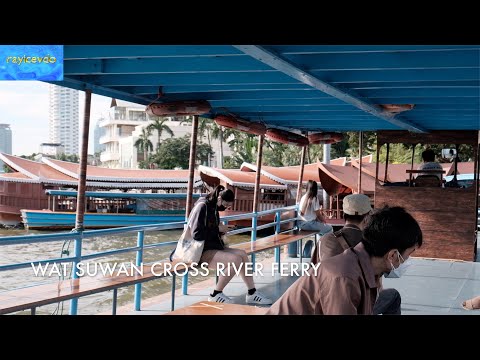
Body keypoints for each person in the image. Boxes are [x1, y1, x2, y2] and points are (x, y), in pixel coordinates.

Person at [266, 206, 423, 315]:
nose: (408, 260)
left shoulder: (366, 267)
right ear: (393, 255)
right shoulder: (344, 277)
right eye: (409, 253)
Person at [189, 185, 272, 305]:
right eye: (226, 205)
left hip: (212, 247)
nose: (226, 208)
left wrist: (221, 230)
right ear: (219, 199)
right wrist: (217, 228)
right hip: (200, 252)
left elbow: (210, 229)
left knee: (243, 254)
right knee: (235, 260)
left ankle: (252, 292)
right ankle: (215, 294)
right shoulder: (202, 207)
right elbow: (196, 234)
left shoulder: (213, 207)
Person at [311, 193, 372, 264]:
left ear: (343, 214)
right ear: (366, 218)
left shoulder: (324, 240)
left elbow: (313, 270)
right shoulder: (371, 243)